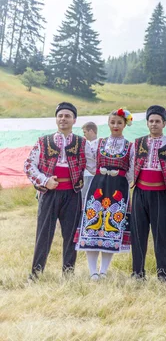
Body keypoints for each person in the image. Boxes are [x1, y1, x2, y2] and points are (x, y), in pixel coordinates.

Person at [24, 102, 92, 280]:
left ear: (74, 120)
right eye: (60, 115)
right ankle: (36, 273)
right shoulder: (43, 141)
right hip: (49, 193)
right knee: (43, 234)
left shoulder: (82, 142)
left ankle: (68, 274)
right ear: (56, 119)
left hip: (72, 194)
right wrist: (45, 181)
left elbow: (94, 165)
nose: (63, 119)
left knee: (71, 235)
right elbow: (29, 165)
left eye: (67, 116)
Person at [76, 109, 134, 280]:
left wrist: (122, 176)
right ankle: (93, 271)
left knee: (112, 227)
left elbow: (132, 168)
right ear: (108, 123)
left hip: (118, 188)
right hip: (98, 186)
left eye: (119, 123)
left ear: (125, 125)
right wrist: (99, 172)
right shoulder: (98, 143)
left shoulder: (130, 146)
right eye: (113, 122)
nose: (116, 126)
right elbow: (89, 162)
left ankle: (103, 271)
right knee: (93, 226)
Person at [130, 105, 166, 281]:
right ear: (147, 123)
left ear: (164, 123)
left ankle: (162, 274)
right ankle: (137, 272)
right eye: (151, 121)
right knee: (138, 234)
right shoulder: (137, 143)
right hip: (140, 192)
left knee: (160, 235)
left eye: (157, 121)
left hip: (161, 193)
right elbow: (131, 167)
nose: (154, 124)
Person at [81, 122, 99, 205]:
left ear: (91, 131)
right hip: (85, 174)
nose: (84, 134)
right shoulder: (84, 143)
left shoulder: (100, 143)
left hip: (94, 175)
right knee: (83, 198)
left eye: (85, 132)